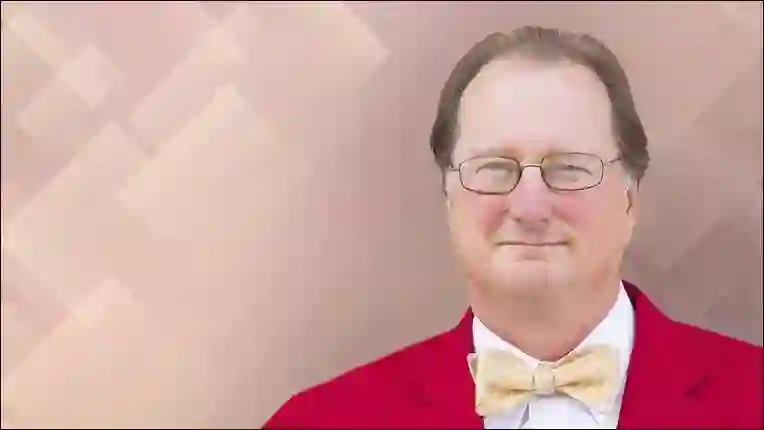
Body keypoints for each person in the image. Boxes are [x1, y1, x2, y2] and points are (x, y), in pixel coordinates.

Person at [263, 26, 763, 429]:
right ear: (449, 198)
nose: (529, 206)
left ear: (630, 199)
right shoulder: (318, 423)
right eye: (494, 168)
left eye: (569, 168)